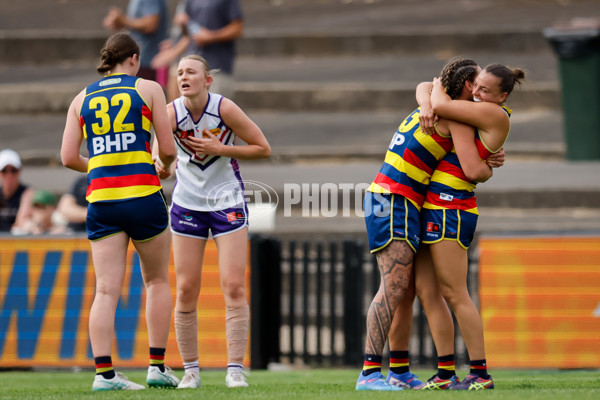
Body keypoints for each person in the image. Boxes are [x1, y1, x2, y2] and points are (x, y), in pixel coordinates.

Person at [357, 58, 496, 391]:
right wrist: (489, 164)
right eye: (478, 84)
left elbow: (426, 86)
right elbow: (472, 170)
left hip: (393, 198)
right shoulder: (452, 113)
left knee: (404, 292)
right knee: (393, 287)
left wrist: (427, 100)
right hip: (394, 199)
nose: (481, 90)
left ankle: (400, 372)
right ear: (466, 87)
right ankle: (370, 373)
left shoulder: (435, 103)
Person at [388, 63, 525, 391]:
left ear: (503, 96)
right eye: (476, 86)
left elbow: (470, 165)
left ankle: (480, 373)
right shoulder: (474, 111)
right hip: (431, 206)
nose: (477, 94)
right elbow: (426, 88)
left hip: (451, 207)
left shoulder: (495, 115)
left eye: (485, 90)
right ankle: (446, 373)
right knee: (427, 291)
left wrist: (433, 95)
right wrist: (428, 97)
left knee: (455, 292)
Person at [60, 32, 178, 391]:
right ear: (134, 58)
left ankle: (104, 375)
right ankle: (156, 366)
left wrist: (102, 166)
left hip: (102, 202)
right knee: (156, 281)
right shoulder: (148, 89)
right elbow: (168, 148)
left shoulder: (81, 99)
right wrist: (164, 166)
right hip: (143, 195)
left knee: (106, 291)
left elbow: (67, 158)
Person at [155, 54, 270, 389]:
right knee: (187, 288)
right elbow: (159, 156)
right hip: (187, 203)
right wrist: (162, 165)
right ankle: (191, 370)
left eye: (191, 71)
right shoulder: (170, 113)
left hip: (226, 202)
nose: (183, 77)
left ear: (208, 80)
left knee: (233, 286)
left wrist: (220, 149)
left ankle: (235, 369)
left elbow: (262, 148)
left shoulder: (224, 109)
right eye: (179, 73)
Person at [151, 0, 244, 101]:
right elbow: (187, 34)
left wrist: (211, 36)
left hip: (216, 69)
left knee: (214, 113)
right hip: (192, 67)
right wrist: (183, 25)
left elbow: (237, 28)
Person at [103, 0, 169, 84]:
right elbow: (137, 24)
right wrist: (120, 23)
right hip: (139, 61)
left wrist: (123, 20)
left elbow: (151, 25)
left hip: (148, 62)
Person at [0, 149, 34, 233]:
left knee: (27, 225)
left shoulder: (27, 193)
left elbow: (21, 221)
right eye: (4, 171)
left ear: (19, 172)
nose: (9, 175)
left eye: (13, 170)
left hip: (16, 241)